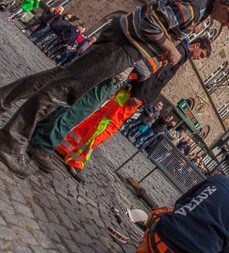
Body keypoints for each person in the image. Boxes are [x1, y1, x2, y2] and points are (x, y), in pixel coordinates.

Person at [0, 0, 229, 178]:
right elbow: (149, 24)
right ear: (224, 8)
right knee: (64, 89)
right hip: (124, 48)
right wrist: (170, 48)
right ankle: (10, 141)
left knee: (57, 79)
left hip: (123, 41)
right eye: (227, 22)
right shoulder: (197, 6)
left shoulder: (200, 0)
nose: (222, 25)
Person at [29, 40, 211, 180]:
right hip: (133, 95)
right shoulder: (178, 53)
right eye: (200, 54)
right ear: (196, 45)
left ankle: (66, 146)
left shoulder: (179, 52)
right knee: (105, 126)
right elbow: (156, 75)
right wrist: (140, 95)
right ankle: (76, 159)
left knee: (97, 120)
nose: (198, 58)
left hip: (131, 91)